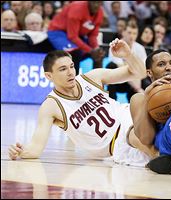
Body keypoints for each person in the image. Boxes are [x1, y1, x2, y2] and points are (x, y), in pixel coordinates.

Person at [8, 38, 157, 167]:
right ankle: (163, 157)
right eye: (63, 69)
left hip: (129, 115)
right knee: (135, 137)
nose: (70, 72)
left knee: (158, 108)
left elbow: (140, 73)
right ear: (49, 76)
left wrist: (128, 55)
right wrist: (21, 151)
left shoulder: (92, 77)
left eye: (71, 66)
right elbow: (36, 147)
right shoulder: (51, 106)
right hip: (117, 143)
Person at [47, 1, 104, 74]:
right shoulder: (77, 9)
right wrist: (90, 50)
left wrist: (96, 48)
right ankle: (73, 83)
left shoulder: (100, 12)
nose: (96, 5)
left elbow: (92, 35)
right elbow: (72, 36)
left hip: (78, 35)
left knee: (99, 55)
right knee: (74, 53)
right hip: (58, 32)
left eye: (99, 3)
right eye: (94, 2)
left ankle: (96, 83)